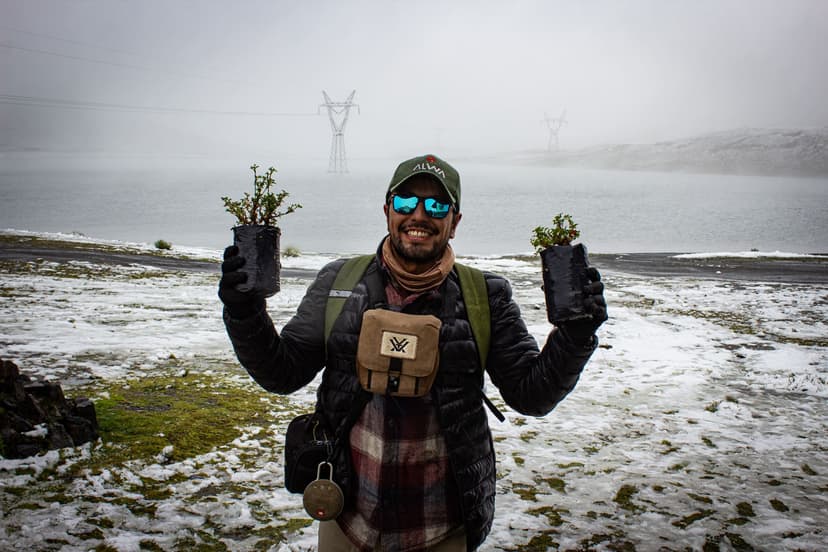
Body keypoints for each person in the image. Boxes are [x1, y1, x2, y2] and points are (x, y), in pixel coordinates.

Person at [219, 154, 607, 552]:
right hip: (346, 522)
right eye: (406, 202)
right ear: (387, 209)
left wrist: (574, 338)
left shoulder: (485, 297)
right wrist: (244, 312)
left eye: (437, 205)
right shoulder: (338, 282)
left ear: (454, 222)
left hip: (442, 530)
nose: (419, 215)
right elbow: (281, 373)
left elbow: (532, 395)